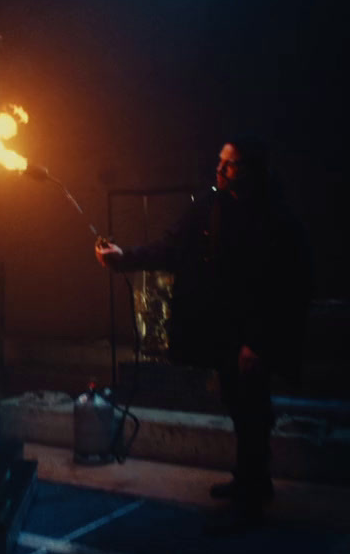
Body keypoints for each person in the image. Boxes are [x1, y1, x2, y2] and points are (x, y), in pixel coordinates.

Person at [95, 137, 313, 529]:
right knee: (238, 403)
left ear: (251, 170)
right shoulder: (211, 206)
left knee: (252, 410)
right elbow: (171, 246)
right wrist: (124, 258)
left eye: (229, 165)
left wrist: (258, 342)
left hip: (254, 332)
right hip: (224, 329)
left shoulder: (273, 218)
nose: (220, 170)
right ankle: (250, 481)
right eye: (219, 162)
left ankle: (251, 498)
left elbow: (282, 285)